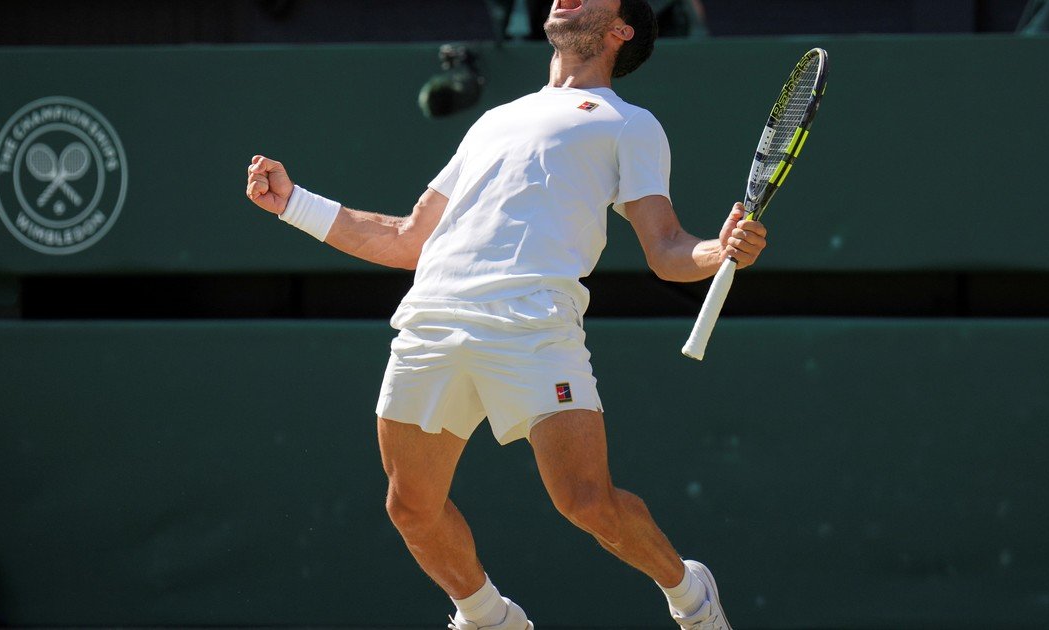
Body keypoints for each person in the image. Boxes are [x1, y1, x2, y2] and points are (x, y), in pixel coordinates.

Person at [245, 0, 767, 627]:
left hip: (532, 321)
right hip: (433, 318)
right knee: (411, 508)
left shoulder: (628, 124)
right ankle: (489, 617)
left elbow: (666, 249)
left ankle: (689, 594)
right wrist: (292, 203)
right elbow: (408, 237)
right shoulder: (494, 120)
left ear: (621, 30)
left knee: (586, 502)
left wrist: (717, 251)